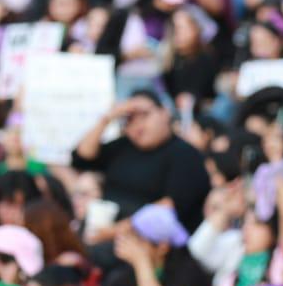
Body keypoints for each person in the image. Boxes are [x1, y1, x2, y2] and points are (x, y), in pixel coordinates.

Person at [71, 90, 211, 233]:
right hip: (104, 228)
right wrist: (107, 118)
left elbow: (169, 208)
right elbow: (81, 158)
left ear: (164, 112)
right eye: (129, 119)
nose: (138, 125)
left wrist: (112, 232)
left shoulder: (185, 154)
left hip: (148, 239)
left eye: (144, 115)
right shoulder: (122, 146)